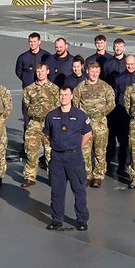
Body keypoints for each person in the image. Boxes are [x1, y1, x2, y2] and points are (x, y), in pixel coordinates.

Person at [44, 86, 92, 231]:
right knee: (57, 191)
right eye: (61, 94)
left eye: (66, 94)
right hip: (57, 157)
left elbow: (88, 133)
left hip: (74, 157)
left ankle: (82, 220)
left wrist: (77, 146)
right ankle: (57, 219)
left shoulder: (80, 115)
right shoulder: (51, 115)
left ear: (71, 96)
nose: (63, 97)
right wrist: (56, 145)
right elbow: (46, 134)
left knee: (79, 189)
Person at [73, 61, 115, 188]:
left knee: (100, 150)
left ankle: (98, 176)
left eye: (97, 71)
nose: (94, 74)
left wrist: (101, 114)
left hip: (100, 122)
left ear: (100, 72)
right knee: (85, 150)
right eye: (92, 71)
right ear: (87, 71)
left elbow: (111, 103)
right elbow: (76, 103)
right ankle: (86, 175)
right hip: (85, 123)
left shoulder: (105, 87)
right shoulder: (80, 87)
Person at [20, 63, 58, 188]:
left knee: (50, 152)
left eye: (42, 71)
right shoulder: (29, 89)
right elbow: (26, 104)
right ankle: (30, 177)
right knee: (31, 151)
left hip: (49, 124)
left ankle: (53, 177)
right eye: (38, 71)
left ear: (47, 71)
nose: (40, 73)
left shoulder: (54, 89)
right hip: (34, 123)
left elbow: (58, 106)